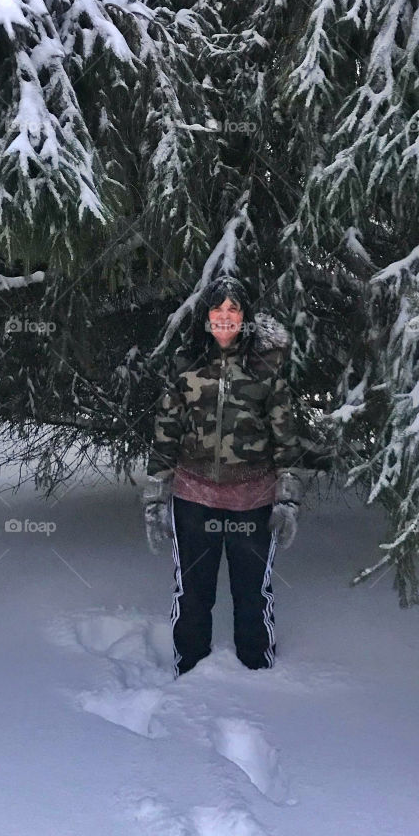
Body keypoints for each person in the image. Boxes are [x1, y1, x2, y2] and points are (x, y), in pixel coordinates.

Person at [140, 274, 303, 677]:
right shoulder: (186, 365)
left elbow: (285, 438)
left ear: (245, 317)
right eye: (217, 308)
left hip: (253, 501)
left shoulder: (266, 368)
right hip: (194, 500)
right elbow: (166, 433)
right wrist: (156, 497)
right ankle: (189, 671)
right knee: (192, 593)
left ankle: (259, 672)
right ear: (206, 316)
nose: (225, 316)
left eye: (234, 308)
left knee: (253, 594)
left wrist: (287, 497)